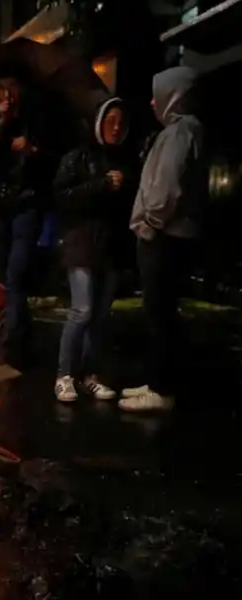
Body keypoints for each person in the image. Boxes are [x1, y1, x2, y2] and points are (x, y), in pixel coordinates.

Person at [121, 66, 206, 412]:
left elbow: (166, 189)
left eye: (160, 93)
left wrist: (148, 225)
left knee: (159, 314)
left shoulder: (179, 133)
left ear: (175, 95)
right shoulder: (183, 130)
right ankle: (157, 381)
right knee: (160, 313)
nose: (153, 101)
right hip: (170, 236)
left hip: (164, 237)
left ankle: (161, 390)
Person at [52, 98, 137, 403]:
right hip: (82, 245)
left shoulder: (126, 161)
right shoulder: (78, 157)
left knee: (99, 316)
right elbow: (62, 197)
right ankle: (64, 376)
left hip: (110, 248)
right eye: (110, 120)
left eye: (121, 122)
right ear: (99, 123)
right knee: (82, 310)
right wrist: (101, 185)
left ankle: (90, 376)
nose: (116, 127)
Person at [0, 69, 58, 368]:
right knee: (4, 272)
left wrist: (33, 150)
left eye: (13, 88)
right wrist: (1, 125)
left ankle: (11, 343)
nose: (8, 95)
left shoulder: (37, 120)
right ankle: (22, 329)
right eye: (3, 89)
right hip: (0, 208)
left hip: (27, 206)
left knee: (16, 274)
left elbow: (54, 160)